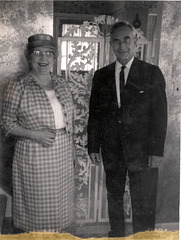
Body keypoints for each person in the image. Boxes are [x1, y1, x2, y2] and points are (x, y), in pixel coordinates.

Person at [87, 21, 167, 237]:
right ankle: (117, 234)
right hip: (112, 149)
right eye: (116, 41)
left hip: (142, 151)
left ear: (135, 42)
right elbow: (95, 113)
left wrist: (156, 151)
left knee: (143, 199)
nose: (121, 46)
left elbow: (160, 115)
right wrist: (93, 146)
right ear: (111, 44)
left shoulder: (151, 73)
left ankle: (143, 236)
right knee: (114, 196)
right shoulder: (101, 76)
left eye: (126, 40)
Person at [1, 34, 75, 233]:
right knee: (37, 206)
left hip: (61, 154)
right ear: (29, 57)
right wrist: (35, 134)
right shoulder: (18, 85)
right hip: (34, 154)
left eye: (49, 53)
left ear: (55, 57)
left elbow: (69, 122)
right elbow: (6, 124)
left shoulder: (61, 83)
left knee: (58, 206)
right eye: (37, 53)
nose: (43, 58)